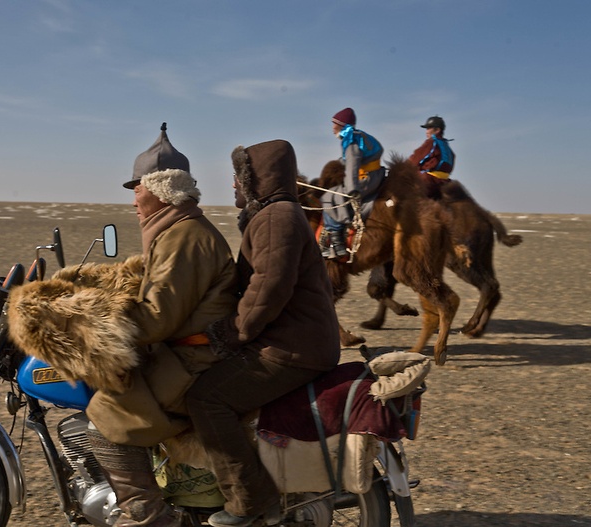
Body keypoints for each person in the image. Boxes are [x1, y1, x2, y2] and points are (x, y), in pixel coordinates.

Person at [86, 122, 238, 527]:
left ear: (161, 188)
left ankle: (149, 519)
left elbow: (156, 317)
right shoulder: (177, 231)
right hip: (184, 352)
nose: (133, 199)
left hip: (193, 360)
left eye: (137, 188)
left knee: (104, 418)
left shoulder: (184, 236)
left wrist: (92, 323)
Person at [186, 139, 341, 527]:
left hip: (292, 348)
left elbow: (268, 289)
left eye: (240, 177)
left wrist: (230, 334)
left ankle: (249, 498)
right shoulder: (278, 215)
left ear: (258, 180)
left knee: (207, 399)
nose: (234, 185)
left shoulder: (277, 218)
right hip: (298, 340)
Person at [319, 107, 386, 259]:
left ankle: (336, 243)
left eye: (334, 124)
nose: (332, 128)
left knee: (329, 197)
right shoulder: (360, 136)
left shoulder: (351, 142)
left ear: (342, 125)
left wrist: (352, 190)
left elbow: (352, 165)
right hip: (376, 175)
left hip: (365, 180)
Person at [409, 115, 456, 199]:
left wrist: (400, 167)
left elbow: (414, 160)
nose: (426, 131)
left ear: (437, 130)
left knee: (400, 188)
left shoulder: (431, 142)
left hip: (429, 181)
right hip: (446, 182)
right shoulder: (447, 147)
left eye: (428, 128)